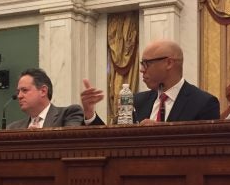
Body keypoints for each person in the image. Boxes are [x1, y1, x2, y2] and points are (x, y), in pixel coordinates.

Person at [81, 39, 220, 125]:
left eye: (146, 64)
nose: (141, 70)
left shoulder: (204, 103)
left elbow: (206, 151)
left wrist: (162, 133)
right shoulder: (137, 101)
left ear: (169, 63)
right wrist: (89, 113)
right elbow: (113, 142)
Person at [6, 68, 85, 129]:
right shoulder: (13, 128)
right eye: (18, 92)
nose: (19, 96)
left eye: (24, 90)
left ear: (43, 91)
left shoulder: (68, 114)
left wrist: (39, 137)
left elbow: (71, 141)